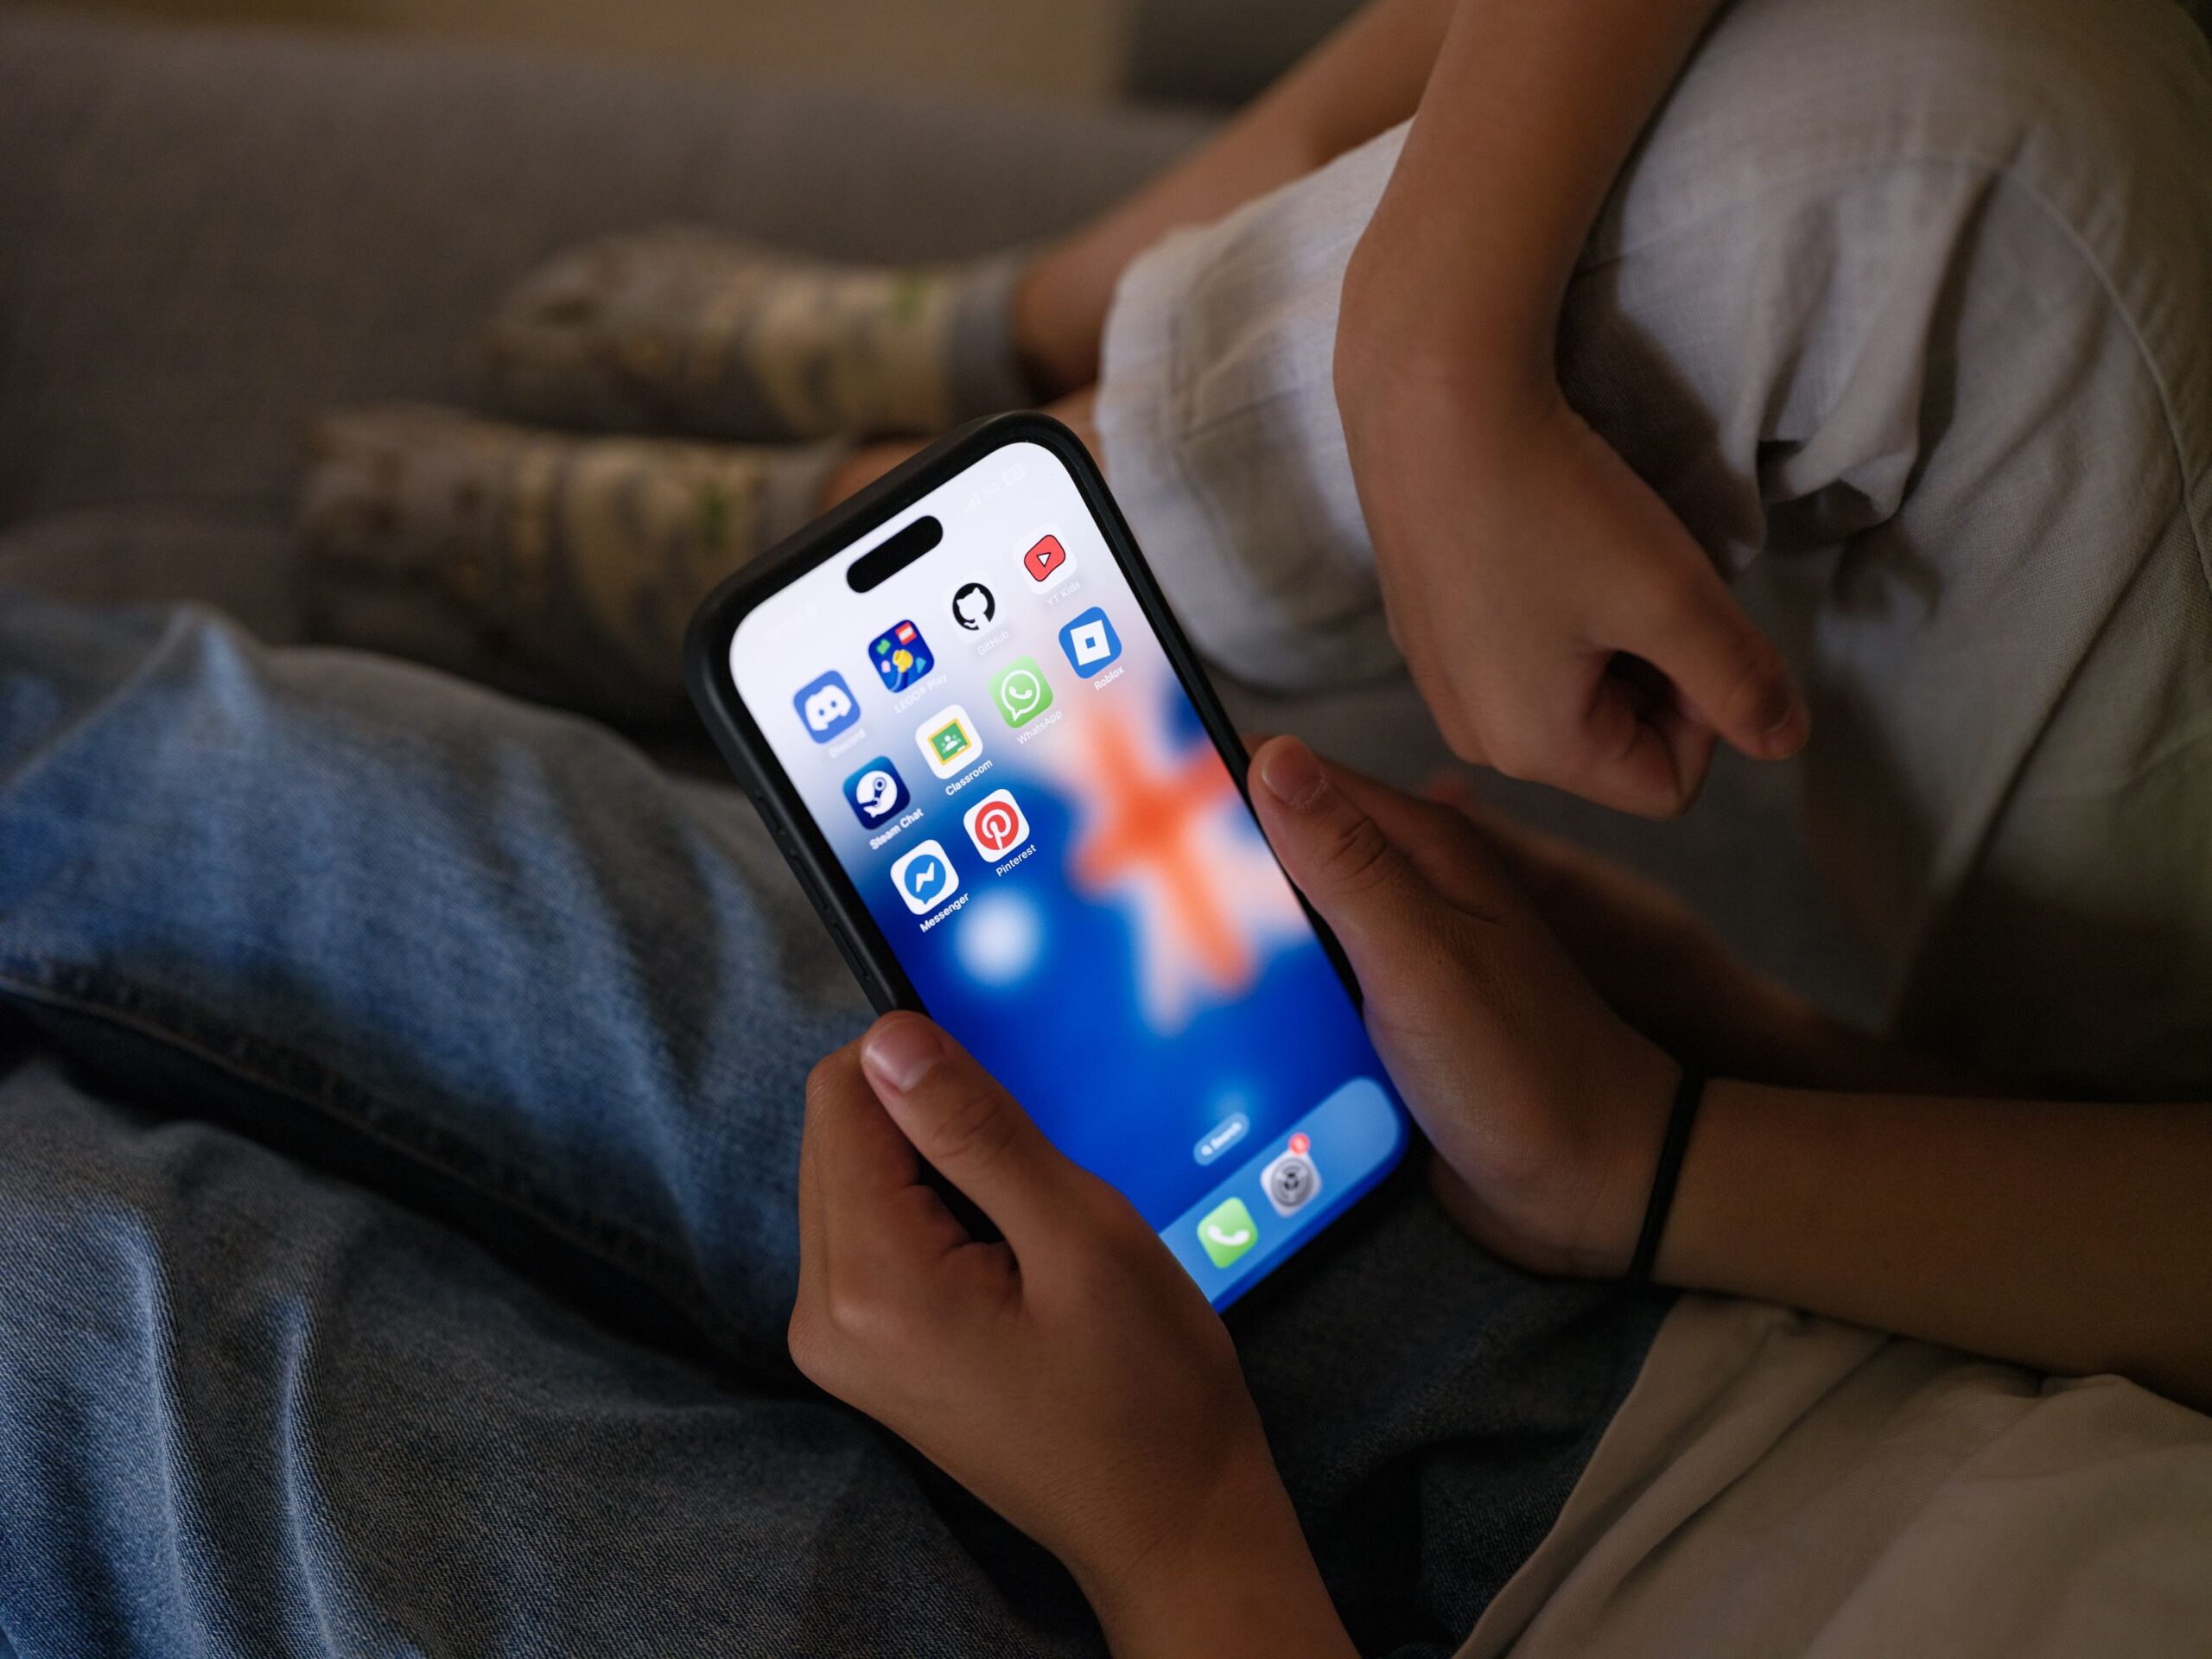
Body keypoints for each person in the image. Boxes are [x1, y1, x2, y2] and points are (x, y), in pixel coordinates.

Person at [6, 0, 2211, 1656]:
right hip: (1761, 1308)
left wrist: (1182, 1550)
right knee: (264, 798)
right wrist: (1679, 1129)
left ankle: (957, 443)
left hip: (1323, 1589)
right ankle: (990, 405)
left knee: (102, 1327)